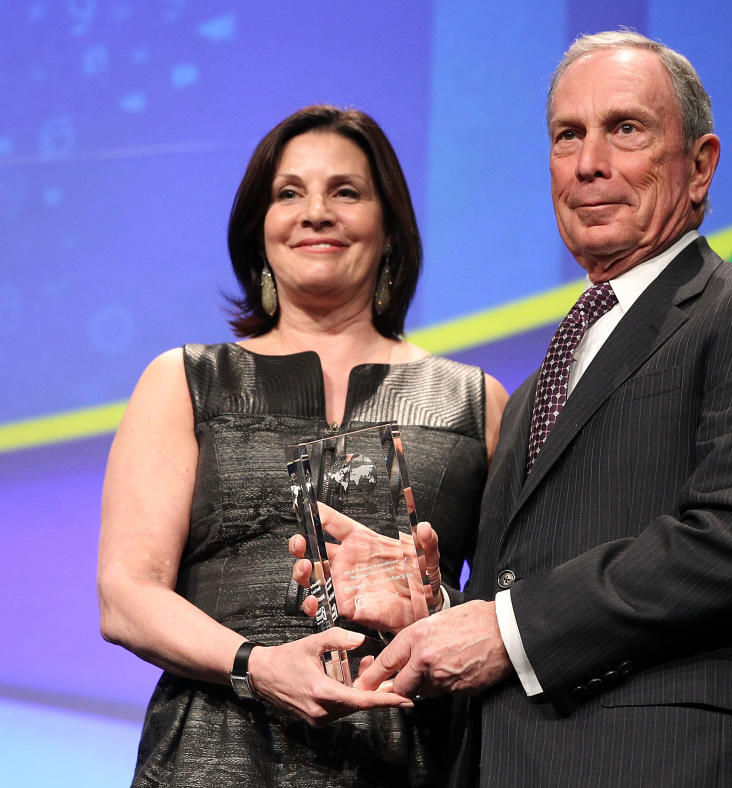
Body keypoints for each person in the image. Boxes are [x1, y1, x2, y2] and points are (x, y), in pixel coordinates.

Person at [349, 31, 732, 787]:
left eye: (625, 129)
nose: (589, 163)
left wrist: (506, 628)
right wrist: (436, 610)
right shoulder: (539, 385)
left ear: (700, 166)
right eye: (567, 136)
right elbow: (522, 587)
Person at [97, 105, 508, 787]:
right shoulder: (185, 382)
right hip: (212, 757)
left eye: (345, 191)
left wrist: (437, 609)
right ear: (259, 233)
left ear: (390, 231)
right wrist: (255, 665)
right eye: (289, 193)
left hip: (411, 759)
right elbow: (126, 595)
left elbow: (509, 614)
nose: (316, 212)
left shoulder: (476, 402)